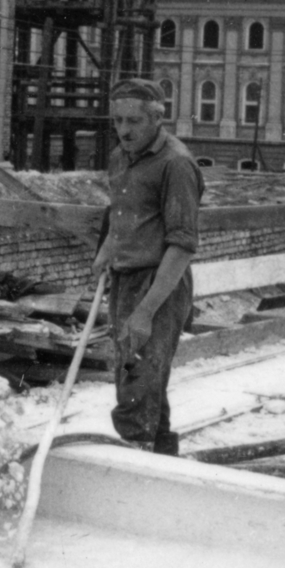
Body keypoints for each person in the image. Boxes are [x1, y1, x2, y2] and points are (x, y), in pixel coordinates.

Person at [92, 77, 204, 455]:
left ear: (157, 119)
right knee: (142, 379)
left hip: (160, 286)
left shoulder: (176, 164)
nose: (123, 130)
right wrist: (109, 246)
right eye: (117, 120)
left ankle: (136, 463)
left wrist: (144, 312)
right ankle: (161, 460)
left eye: (133, 122)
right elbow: (124, 210)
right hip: (125, 278)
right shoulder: (120, 156)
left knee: (137, 383)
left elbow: (182, 245)